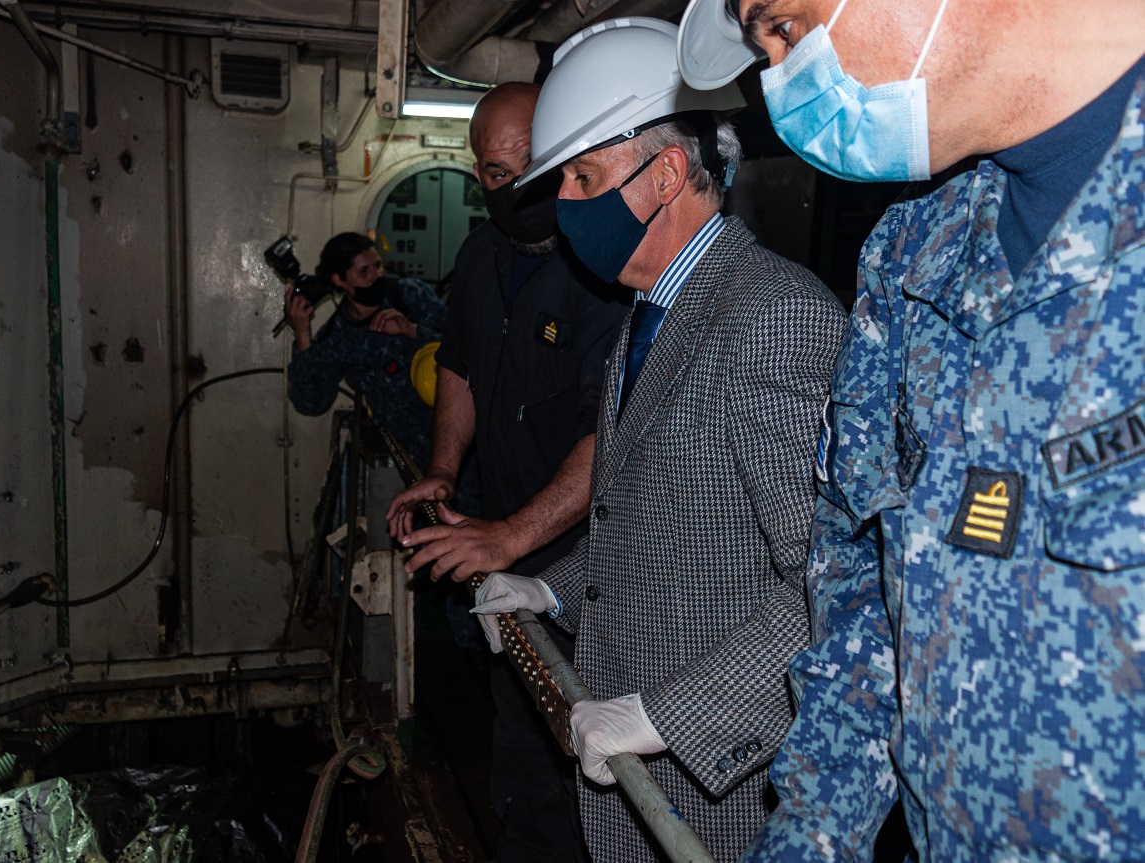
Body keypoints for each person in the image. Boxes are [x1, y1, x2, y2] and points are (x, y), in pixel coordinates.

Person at [673, 0, 1145, 859]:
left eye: (783, 26)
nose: (780, 83)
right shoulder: (911, 256)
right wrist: (811, 839)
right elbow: (863, 605)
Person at [469, 18, 845, 862]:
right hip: (636, 775)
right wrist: (550, 592)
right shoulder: (653, 307)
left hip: (714, 790)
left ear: (667, 171)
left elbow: (832, 582)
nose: (563, 203)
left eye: (583, 175)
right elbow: (652, 515)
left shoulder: (771, 317)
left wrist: (662, 716)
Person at [385, 82, 629, 862]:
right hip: (504, 542)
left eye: (535, 161)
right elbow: (459, 364)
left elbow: (615, 432)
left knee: (593, 763)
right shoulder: (481, 254)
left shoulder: (606, 269)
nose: (517, 184)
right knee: (522, 741)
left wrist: (513, 534)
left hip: (595, 562)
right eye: (496, 172)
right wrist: (444, 470)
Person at [286, 232, 445, 469]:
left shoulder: (409, 296)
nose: (375, 275)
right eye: (364, 272)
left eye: (377, 266)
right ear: (340, 280)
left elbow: (470, 346)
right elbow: (311, 402)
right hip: (413, 458)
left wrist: (412, 331)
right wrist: (302, 334)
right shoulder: (339, 336)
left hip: (458, 434)